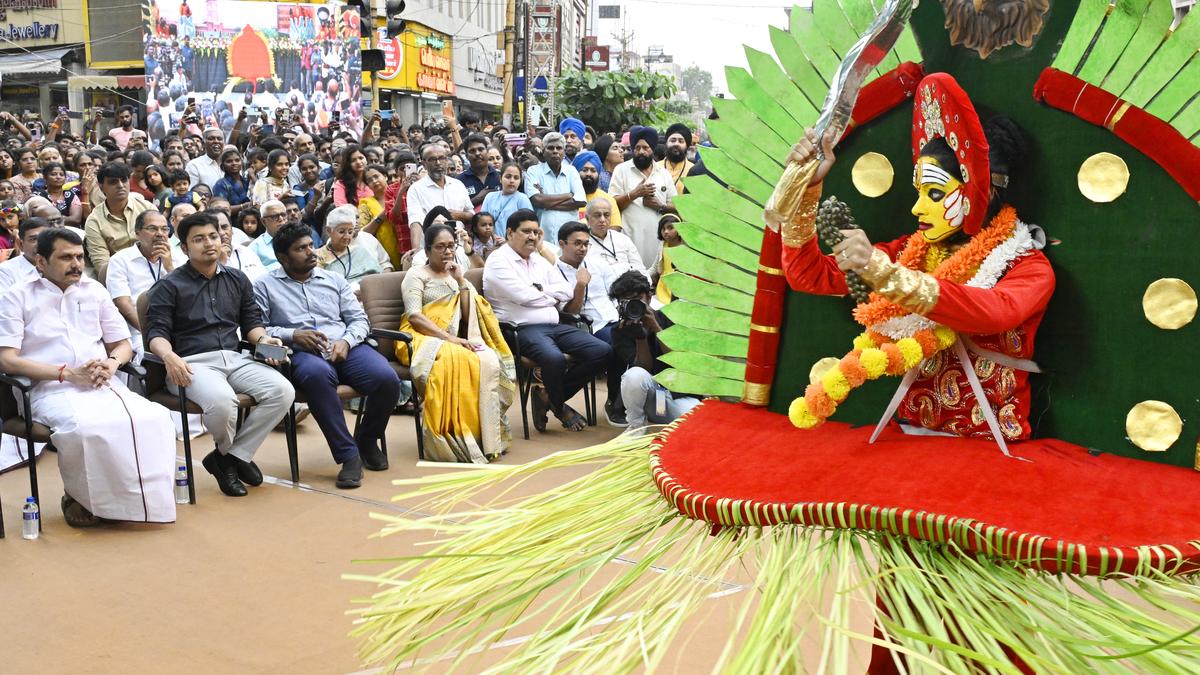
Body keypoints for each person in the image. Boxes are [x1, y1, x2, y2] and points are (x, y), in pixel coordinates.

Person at [781, 74, 1053, 441]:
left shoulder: (1026, 265)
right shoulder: (909, 253)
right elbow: (808, 275)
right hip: (907, 435)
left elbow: (992, 312)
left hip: (989, 445)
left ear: (981, 192)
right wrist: (804, 185)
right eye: (919, 191)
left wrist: (882, 273)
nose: (917, 207)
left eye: (936, 193)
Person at [0, 228, 176, 526]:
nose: (76, 264)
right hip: (48, 389)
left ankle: (136, 502)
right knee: (86, 430)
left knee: (156, 419)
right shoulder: (16, 296)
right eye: (66, 257)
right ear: (41, 262)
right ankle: (81, 498)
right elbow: (7, 359)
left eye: (80, 256)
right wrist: (67, 373)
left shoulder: (94, 289)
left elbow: (121, 344)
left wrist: (112, 363)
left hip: (102, 382)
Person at [146, 211, 295, 498]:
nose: (209, 243)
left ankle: (229, 457)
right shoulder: (169, 285)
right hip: (190, 363)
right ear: (185, 248)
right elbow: (156, 334)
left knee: (282, 391)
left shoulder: (237, 279)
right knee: (223, 402)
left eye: (213, 236)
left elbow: (251, 324)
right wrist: (170, 357)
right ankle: (233, 458)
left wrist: (265, 340)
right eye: (199, 239)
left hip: (234, 357)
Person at [254, 223, 404, 488]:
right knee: (317, 375)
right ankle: (349, 455)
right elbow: (260, 328)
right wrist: (293, 335)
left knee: (387, 379)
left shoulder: (333, 280)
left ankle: (367, 440)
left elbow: (358, 320)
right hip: (303, 353)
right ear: (283, 257)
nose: (311, 252)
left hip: (345, 347)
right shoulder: (265, 285)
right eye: (301, 249)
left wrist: (346, 341)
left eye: (311, 245)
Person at [483, 209, 611, 432]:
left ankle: (548, 395)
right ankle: (559, 407)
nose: (532, 236)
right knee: (554, 359)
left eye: (535, 231)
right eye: (526, 231)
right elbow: (523, 296)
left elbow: (565, 290)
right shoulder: (498, 261)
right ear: (510, 232)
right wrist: (548, 295)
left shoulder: (537, 260)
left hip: (554, 325)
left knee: (602, 351)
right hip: (519, 329)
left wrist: (540, 291)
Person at [399, 222, 515, 462]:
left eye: (451, 246)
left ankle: (483, 437)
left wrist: (461, 281)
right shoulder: (416, 275)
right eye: (440, 247)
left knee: (488, 360)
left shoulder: (456, 274)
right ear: (428, 250)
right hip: (418, 337)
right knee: (456, 359)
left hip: (456, 338)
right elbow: (414, 316)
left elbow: (467, 313)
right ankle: (451, 437)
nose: (447, 252)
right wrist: (451, 339)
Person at [605, 269, 700, 429]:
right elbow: (643, 369)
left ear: (649, 297)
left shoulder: (670, 318)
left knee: (692, 419)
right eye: (626, 302)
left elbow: (679, 363)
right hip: (650, 395)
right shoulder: (620, 330)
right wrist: (640, 337)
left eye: (637, 299)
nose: (633, 306)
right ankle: (635, 427)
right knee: (633, 375)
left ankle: (661, 418)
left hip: (674, 395)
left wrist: (656, 327)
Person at [555, 221, 627, 425]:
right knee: (617, 346)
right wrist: (580, 286)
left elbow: (615, 294)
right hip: (587, 326)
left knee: (648, 338)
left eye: (586, 244)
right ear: (562, 243)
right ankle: (614, 402)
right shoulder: (553, 271)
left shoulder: (597, 264)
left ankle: (651, 401)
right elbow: (570, 313)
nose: (583, 249)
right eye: (577, 244)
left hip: (615, 318)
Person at [105, 210, 184, 362]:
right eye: (153, 228)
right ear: (137, 233)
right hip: (139, 331)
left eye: (164, 229)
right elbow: (123, 304)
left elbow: (188, 296)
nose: (160, 234)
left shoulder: (178, 257)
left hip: (177, 327)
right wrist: (151, 332)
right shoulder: (120, 260)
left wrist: (169, 268)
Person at [610, 126, 678, 269]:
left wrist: (660, 206)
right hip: (629, 239)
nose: (641, 151)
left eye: (645, 148)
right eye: (637, 147)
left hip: (657, 241)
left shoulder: (663, 173)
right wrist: (634, 193)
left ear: (652, 149)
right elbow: (611, 204)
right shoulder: (621, 170)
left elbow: (677, 207)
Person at [83, 162, 154, 282]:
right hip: (120, 277)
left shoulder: (147, 208)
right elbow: (102, 266)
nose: (120, 185)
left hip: (154, 268)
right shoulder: (94, 221)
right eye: (113, 182)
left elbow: (162, 245)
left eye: (123, 180)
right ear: (101, 187)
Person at [406, 143, 474, 248]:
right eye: (432, 159)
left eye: (441, 158)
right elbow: (415, 221)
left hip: (460, 246)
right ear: (424, 163)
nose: (438, 163)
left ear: (447, 160)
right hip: (432, 249)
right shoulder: (415, 189)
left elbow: (471, 214)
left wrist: (459, 215)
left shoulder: (458, 185)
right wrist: (415, 250)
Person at [524, 132, 586, 245]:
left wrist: (546, 204)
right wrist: (568, 195)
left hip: (569, 239)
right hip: (542, 240)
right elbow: (537, 200)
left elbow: (580, 201)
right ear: (543, 150)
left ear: (564, 152)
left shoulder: (572, 171)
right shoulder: (534, 171)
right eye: (550, 148)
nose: (555, 151)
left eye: (559, 148)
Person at [317, 204, 383, 291]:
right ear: (329, 231)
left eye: (350, 232)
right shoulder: (319, 256)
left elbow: (378, 276)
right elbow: (320, 286)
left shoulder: (359, 251)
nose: (347, 236)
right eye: (341, 232)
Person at [583, 197, 646, 279]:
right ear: (587, 218)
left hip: (628, 287)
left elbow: (639, 268)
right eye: (597, 215)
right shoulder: (582, 244)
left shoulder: (623, 239)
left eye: (606, 215)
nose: (602, 220)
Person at [356, 164, 402, 269]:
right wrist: (382, 216)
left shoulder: (400, 194)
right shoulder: (365, 204)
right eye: (370, 180)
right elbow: (363, 234)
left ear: (385, 177)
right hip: (383, 254)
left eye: (376, 176)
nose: (374, 181)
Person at [481, 162, 533, 239]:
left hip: (514, 246)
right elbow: (482, 222)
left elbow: (529, 226)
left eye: (516, 178)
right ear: (500, 178)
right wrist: (493, 237)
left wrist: (508, 241)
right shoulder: (490, 197)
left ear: (520, 181)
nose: (512, 181)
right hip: (490, 243)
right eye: (508, 177)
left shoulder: (522, 199)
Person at [0, 216, 51, 294]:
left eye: (45, 238)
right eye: (33, 239)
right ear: (20, 244)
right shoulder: (5, 271)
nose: (40, 244)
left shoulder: (61, 265)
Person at [573, 150, 622, 231]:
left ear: (599, 174)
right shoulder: (567, 196)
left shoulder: (608, 199)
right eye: (584, 170)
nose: (589, 174)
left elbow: (615, 227)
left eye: (593, 170)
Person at [457, 133, 501, 207]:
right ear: (467, 156)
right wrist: (477, 198)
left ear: (487, 152)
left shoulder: (501, 176)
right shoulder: (459, 181)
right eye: (472, 151)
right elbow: (457, 208)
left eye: (480, 149)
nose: (477, 153)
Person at [247, 199, 288, 270]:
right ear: (264, 222)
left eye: (283, 215)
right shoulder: (255, 248)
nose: (281, 219)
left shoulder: (298, 239)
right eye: (275, 216)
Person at [653, 213, 683, 307]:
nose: (666, 231)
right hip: (664, 286)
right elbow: (655, 267)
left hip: (680, 285)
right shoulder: (662, 245)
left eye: (670, 228)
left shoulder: (685, 247)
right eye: (663, 229)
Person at [211, 148, 252, 217]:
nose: (234, 163)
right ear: (222, 166)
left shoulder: (247, 180)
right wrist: (243, 206)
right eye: (229, 161)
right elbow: (219, 209)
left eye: (237, 160)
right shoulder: (221, 184)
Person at [658, 123, 694, 194]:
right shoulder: (654, 168)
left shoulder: (693, 170)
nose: (676, 144)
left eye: (681, 141)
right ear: (666, 143)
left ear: (687, 146)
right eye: (673, 140)